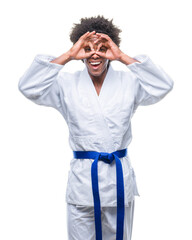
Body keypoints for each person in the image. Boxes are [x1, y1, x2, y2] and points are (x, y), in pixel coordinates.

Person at [18, 15, 174, 240]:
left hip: (118, 182)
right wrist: (68, 55)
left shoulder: (128, 82)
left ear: (111, 49)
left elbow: (163, 85)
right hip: (82, 182)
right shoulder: (65, 84)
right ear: (79, 49)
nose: (95, 54)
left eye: (102, 48)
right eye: (88, 48)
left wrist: (122, 57)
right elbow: (28, 87)